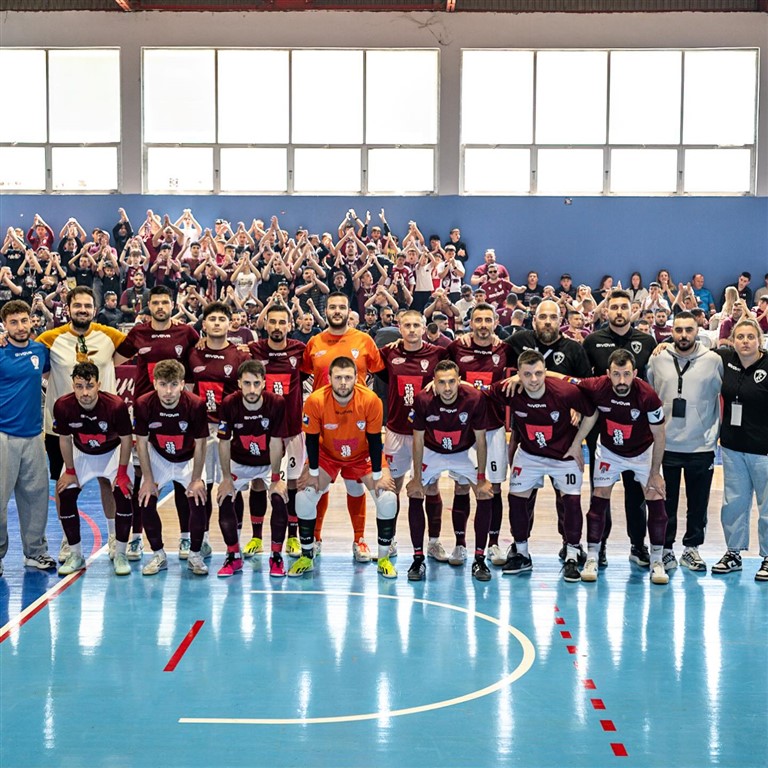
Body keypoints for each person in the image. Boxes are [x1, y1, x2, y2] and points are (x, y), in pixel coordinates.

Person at [34, 286, 126, 562]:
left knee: (108, 482)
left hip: (104, 425)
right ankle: (68, 539)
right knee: (64, 484)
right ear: (68, 309)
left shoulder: (111, 336)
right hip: (61, 428)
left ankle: (114, 536)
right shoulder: (49, 338)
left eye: (87, 306)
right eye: (77, 306)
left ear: (95, 310)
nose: (82, 310)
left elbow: (137, 350)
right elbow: (39, 367)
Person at [488, 350, 594, 582]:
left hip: (564, 455)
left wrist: (577, 443)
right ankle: (521, 553)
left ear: (546, 372)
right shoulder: (510, 389)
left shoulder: (565, 391)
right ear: (518, 374)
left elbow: (592, 411)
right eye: (527, 374)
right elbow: (480, 393)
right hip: (530, 455)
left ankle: (572, 555)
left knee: (571, 501)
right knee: (516, 498)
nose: (533, 379)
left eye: (538, 373)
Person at [290, 356, 398, 579]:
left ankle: (383, 558)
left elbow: (374, 439)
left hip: (362, 455)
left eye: (348, 377)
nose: (343, 382)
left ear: (357, 378)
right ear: (328, 378)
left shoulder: (371, 400)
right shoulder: (315, 400)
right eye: (338, 377)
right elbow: (311, 440)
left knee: (388, 498)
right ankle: (307, 556)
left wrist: (379, 474)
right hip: (326, 454)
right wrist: (312, 473)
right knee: (303, 497)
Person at [114, 285, 200, 560]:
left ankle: (186, 538)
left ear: (173, 304)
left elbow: (200, 359)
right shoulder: (137, 333)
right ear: (148, 305)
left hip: (179, 412)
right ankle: (136, 538)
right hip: (145, 413)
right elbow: (112, 359)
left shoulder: (187, 333)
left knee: (181, 481)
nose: (161, 307)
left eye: (165, 302)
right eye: (156, 303)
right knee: (142, 477)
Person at [301, 291, 384, 560]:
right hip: (323, 427)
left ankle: (359, 540)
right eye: (333, 307)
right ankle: (315, 538)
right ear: (326, 311)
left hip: (357, 428)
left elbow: (385, 374)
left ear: (350, 311)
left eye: (342, 307)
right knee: (318, 486)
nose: (337, 311)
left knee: (355, 486)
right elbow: (299, 375)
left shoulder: (364, 340)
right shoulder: (314, 342)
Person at [576, 350, 669, 584]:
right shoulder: (598, 386)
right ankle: (593, 557)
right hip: (610, 450)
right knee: (599, 497)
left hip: (643, 452)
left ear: (635, 373)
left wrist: (655, 473)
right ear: (607, 374)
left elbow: (660, 435)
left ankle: (657, 561)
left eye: (626, 374)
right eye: (616, 374)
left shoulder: (648, 395)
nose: (621, 380)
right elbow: (565, 381)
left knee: (655, 496)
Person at [582, 290, 657, 567]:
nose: (619, 312)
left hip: (637, 432)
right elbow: (585, 384)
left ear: (632, 309)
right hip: (603, 431)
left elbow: (652, 382)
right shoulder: (592, 341)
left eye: (624, 307)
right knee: (600, 492)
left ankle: (637, 546)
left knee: (636, 493)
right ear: (606, 311)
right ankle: (598, 545)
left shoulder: (647, 341)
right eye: (614, 307)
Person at [647, 311, 723, 572]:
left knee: (698, 502)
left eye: (688, 330)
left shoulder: (713, 360)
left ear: (697, 330)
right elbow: (650, 394)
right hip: (666, 445)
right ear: (672, 331)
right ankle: (666, 549)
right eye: (678, 330)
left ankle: (692, 549)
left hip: (701, 445)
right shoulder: (658, 359)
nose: (683, 335)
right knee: (665, 502)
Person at [407, 360, 493, 582]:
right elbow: (417, 440)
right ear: (433, 383)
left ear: (459, 381)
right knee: (415, 492)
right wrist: (417, 478)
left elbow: (481, 440)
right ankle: (418, 559)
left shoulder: (474, 398)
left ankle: (479, 558)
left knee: (485, 493)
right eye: (442, 382)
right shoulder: (423, 399)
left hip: (464, 450)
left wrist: (482, 478)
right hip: (432, 450)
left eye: (452, 382)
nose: (447, 388)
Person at [378, 310, 449, 564]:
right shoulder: (388, 353)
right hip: (396, 431)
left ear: (424, 328)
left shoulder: (438, 354)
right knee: (392, 488)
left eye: (416, 325)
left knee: (431, 486)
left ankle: (434, 542)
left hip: (426, 433)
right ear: (399, 328)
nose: (411, 329)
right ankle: (390, 540)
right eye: (406, 325)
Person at [449, 303, 516, 566]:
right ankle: (459, 545)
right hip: (463, 430)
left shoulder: (505, 349)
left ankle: (493, 544)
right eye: (478, 320)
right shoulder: (457, 348)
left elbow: (530, 362)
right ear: (471, 323)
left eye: (488, 320)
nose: (483, 325)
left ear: (496, 322)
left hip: (493, 428)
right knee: (461, 485)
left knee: (494, 487)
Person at [53, 362, 135, 576]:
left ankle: (120, 553)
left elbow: (127, 439)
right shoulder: (62, 405)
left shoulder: (116, 405)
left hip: (112, 452)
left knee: (123, 492)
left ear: (99, 384)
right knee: (65, 492)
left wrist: (122, 472)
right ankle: (75, 554)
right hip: (81, 453)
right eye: (79, 386)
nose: (85, 393)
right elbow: (64, 439)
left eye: (90, 386)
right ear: (73, 385)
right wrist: (70, 471)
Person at [134, 359, 209, 576]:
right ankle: (158, 554)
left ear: (182, 384)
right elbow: (141, 443)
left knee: (198, 498)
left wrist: (196, 479)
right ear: (154, 383)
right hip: (159, 457)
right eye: (163, 384)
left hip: (188, 458)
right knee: (146, 499)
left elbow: (201, 443)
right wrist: (148, 479)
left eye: (174, 384)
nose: (168, 391)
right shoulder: (143, 403)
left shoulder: (196, 404)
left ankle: (195, 555)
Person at [216, 360, 289, 577]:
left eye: (256, 383)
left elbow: (276, 443)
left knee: (279, 498)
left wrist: (275, 478)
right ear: (239, 383)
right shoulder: (229, 403)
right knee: (224, 497)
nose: (252, 389)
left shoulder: (276, 403)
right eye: (247, 383)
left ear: (264, 383)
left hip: (269, 461)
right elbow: (223, 442)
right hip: (239, 461)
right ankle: (233, 556)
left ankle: (276, 557)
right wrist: (226, 478)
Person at [188, 302, 249, 558]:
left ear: (229, 324)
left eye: (221, 319)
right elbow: (187, 390)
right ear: (204, 324)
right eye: (211, 319)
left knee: (232, 486)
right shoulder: (193, 353)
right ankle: (202, 540)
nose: (216, 323)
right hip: (201, 430)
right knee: (203, 486)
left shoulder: (240, 355)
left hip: (230, 431)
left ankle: (235, 541)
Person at [0, 300, 56, 574]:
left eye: (24, 320)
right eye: (13, 322)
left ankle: (35, 552)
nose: (20, 327)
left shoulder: (40, 350)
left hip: (34, 435)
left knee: (36, 498)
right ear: (5, 326)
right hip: (3, 436)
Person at [248, 303, 308, 559]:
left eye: (282, 322)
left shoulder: (300, 350)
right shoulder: (253, 350)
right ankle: (256, 537)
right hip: (262, 431)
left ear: (289, 325)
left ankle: (292, 537)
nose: (277, 327)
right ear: (265, 324)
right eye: (272, 321)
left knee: (292, 482)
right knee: (258, 481)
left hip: (292, 430)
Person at [710, 318, 768, 581]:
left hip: (764, 450)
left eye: (750, 337)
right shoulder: (724, 360)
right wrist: (663, 346)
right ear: (732, 340)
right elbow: (694, 353)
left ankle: (767, 556)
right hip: (732, 447)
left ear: (759, 340)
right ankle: (733, 553)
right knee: (733, 503)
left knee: (767, 506)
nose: (745, 341)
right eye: (740, 337)